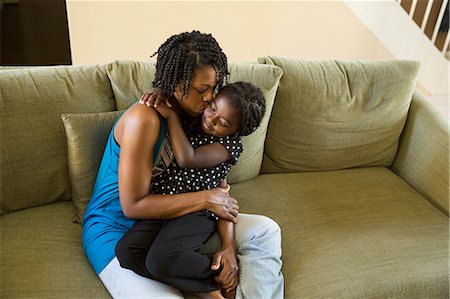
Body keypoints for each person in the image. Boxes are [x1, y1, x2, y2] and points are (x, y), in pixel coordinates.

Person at [82, 31, 283, 299]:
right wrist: (208, 199)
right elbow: (133, 206)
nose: (209, 99)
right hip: (118, 231)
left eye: (214, 88)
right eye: (202, 90)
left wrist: (228, 246)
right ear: (175, 83)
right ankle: (208, 288)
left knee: (266, 231)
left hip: (175, 220)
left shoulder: (196, 121)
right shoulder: (145, 119)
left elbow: (217, 189)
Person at [115, 81, 266, 299]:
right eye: (212, 108)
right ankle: (203, 284)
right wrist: (159, 92)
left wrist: (172, 118)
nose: (211, 119)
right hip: (164, 203)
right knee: (126, 252)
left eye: (222, 122)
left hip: (197, 212)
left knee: (159, 260)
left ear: (236, 131)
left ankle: (222, 276)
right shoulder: (194, 120)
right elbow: (175, 95)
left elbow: (187, 158)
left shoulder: (228, 146)